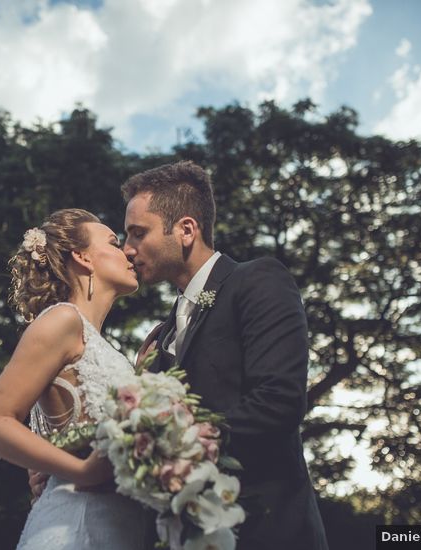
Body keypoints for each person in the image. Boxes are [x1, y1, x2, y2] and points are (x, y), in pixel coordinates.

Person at [120, 160, 329, 549]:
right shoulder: (159, 334)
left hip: (269, 530)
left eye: (137, 233)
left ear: (185, 230)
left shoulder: (257, 280)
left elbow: (279, 401)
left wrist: (174, 446)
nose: (127, 250)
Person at [0, 208, 152, 549]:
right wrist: (81, 471)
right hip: (77, 527)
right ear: (82, 257)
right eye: (114, 242)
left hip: (118, 528)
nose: (128, 251)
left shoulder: (104, 347)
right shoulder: (62, 320)